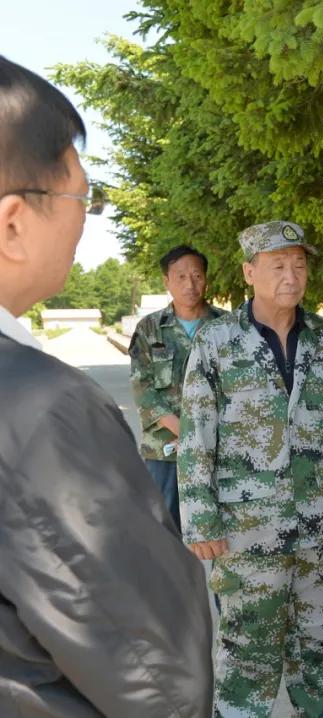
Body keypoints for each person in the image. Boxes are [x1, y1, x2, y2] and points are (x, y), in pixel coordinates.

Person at [0, 55, 212, 717]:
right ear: (12, 223)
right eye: (81, 199)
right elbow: (154, 677)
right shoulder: (38, 409)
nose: (85, 220)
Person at [178, 220, 323, 718]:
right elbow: (196, 435)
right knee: (249, 646)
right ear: (249, 271)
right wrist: (200, 519)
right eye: (277, 265)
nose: (291, 276)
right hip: (247, 528)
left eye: (299, 265)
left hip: (315, 519)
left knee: (320, 641)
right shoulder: (217, 341)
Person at [130, 245, 225, 529]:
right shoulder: (150, 328)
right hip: (165, 451)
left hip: (221, 448)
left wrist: (207, 435)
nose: (190, 284)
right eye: (181, 277)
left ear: (206, 279)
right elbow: (142, 387)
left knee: (225, 530)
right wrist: (185, 431)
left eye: (197, 275)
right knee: (163, 531)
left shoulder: (227, 327)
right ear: (166, 281)